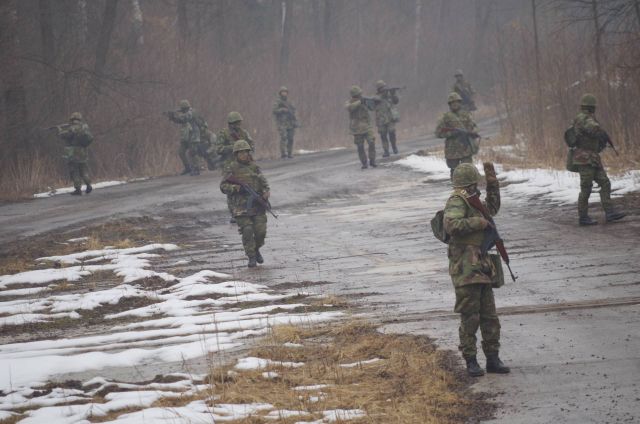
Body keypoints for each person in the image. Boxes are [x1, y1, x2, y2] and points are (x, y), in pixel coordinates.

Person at [443, 162, 510, 377]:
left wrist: (493, 184)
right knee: (470, 317)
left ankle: (493, 358)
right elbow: (451, 225)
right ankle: (471, 360)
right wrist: (478, 223)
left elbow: (492, 209)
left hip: (481, 267)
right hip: (465, 269)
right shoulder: (457, 200)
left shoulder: (473, 200)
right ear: (470, 183)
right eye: (476, 182)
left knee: (490, 316)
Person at [572, 94, 626, 226]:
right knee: (586, 188)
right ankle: (583, 217)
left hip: (593, 158)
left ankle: (610, 213)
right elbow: (593, 128)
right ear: (591, 107)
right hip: (584, 159)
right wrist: (601, 132)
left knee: (605, 183)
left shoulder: (587, 118)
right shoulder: (583, 118)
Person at [220, 140, 270, 268]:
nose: (243, 155)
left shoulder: (254, 167)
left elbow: (264, 183)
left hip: (257, 205)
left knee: (260, 232)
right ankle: (251, 256)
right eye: (240, 153)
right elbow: (223, 186)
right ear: (236, 154)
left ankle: (256, 249)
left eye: (245, 152)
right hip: (240, 207)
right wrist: (237, 188)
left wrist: (265, 193)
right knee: (247, 230)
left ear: (249, 153)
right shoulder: (231, 168)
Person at [436, 92, 480, 177]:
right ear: (449, 104)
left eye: (456, 102)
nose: (455, 104)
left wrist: (472, 132)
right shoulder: (445, 117)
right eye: (452, 102)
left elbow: (475, 127)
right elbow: (438, 133)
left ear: (460, 102)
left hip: (465, 148)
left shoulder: (466, 115)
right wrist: (451, 133)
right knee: (455, 174)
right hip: (452, 151)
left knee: (468, 172)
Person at [56, 112, 93, 195]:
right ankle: (88, 185)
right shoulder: (84, 127)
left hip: (73, 152)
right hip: (83, 152)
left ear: (72, 119)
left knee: (74, 171)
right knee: (83, 170)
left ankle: (78, 189)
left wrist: (60, 130)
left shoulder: (71, 128)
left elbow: (64, 136)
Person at [165, 99, 201, 176]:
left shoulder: (192, 112)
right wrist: (172, 117)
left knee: (192, 152)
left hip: (193, 136)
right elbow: (180, 121)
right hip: (186, 137)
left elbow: (185, 118)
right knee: (181, 152)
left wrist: (175, 115)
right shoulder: (185, 113)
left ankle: (196, 169)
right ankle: (187, 168)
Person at [346, 85, 376, 169]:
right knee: (360, 146)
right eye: (358, 94)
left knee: (371, 142)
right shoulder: (349, 102)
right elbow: (350, 108)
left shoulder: (364, 100)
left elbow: (372, 108)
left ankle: (372, 160)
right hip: (356, 128)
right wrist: (360, 102)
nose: (360, 95)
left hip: (367, 126)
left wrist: (370, 102)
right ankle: (364, 163)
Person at [373, 80, 400, 157]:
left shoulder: (389, 95)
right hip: (381, 119)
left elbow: (396, 101)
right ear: (379, 89)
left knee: (392, 133)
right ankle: (386, 151)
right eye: (382, 88)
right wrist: (383, 94)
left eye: (384, 87)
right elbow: (374, 103)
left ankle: (394, 147)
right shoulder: (376, 97)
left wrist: (393, 94)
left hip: (390, 118)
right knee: (383, 135)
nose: (384, 89)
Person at [272, 86, 298, 159]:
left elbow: (293, 111)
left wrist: (295, 120)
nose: (284, 93)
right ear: (280, 93)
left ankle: (289, 153)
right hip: (282, 123)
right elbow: (274, 111)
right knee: (283, 137)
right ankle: (283, 154)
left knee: (290, 138)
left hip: (290, 123)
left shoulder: (289, 102)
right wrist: (282, 110)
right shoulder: (278, 102)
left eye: (285, 92)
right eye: (283, 92)